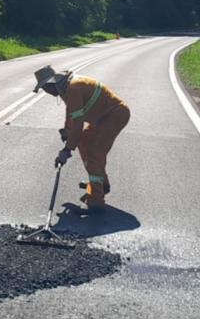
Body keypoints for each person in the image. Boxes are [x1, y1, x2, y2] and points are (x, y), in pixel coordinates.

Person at [33, 65, 131, 211]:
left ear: (51, 84)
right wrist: (67, 130)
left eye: (45, 88)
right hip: (102, 118)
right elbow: (72, 112)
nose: (45, 92)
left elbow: (78, 125)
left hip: (114, 115)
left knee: (95, 153)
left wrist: (67, 150)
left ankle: (96, 198)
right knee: (84, 141)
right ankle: (99, 182)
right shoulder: (67, 86)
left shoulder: (72, 88)